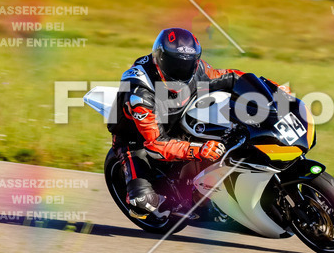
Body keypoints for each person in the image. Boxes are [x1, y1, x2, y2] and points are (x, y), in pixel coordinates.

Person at [110, 27, 288, 221]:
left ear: (195, 61)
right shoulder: (140, 93)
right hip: (136, 138)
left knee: (229, 131)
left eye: (187, 64)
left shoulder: (199, 69)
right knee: (143, 201)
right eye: (174, 64)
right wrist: (199, 150)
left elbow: (233, 77)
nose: (181, 71)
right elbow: (155, 143)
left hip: (179, 119)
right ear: (159, 58)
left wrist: (272, 89)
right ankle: (163, 202)